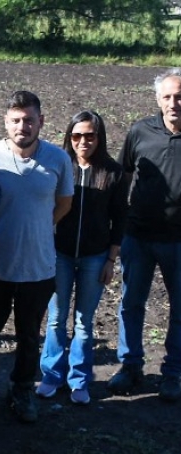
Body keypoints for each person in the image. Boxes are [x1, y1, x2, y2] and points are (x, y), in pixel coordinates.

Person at [0, 91, 73, 423]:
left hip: (38, 267)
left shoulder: (58, 159)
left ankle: (21, 390)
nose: (23, 126)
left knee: (29, 335)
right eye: (16, 120)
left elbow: (63, 204)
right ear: (6, 122)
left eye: (29, 119)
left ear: (40, 122)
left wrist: (39, 226)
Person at [38, 111, 127, 405]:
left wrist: (111, 260)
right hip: (59, 255)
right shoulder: (60, 165)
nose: (83, 142)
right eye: (76, 136)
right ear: (69, 137)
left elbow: (120, 219)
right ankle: (51, 376)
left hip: (95, 257)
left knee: (84, 323)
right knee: (55, 319)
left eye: (89, 135)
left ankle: (79, 380)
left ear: (98, 137)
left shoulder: (112, 172)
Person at [108, 68, 181, 402]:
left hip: (178, 241)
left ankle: (173, 373)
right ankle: (130, 366)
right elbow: (123, 176)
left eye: (179, 96)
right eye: (167, 97)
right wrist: (119, 224)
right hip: (137, 236)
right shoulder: (140, 131)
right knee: (131, 303)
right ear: (157, 99)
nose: (173, 103)